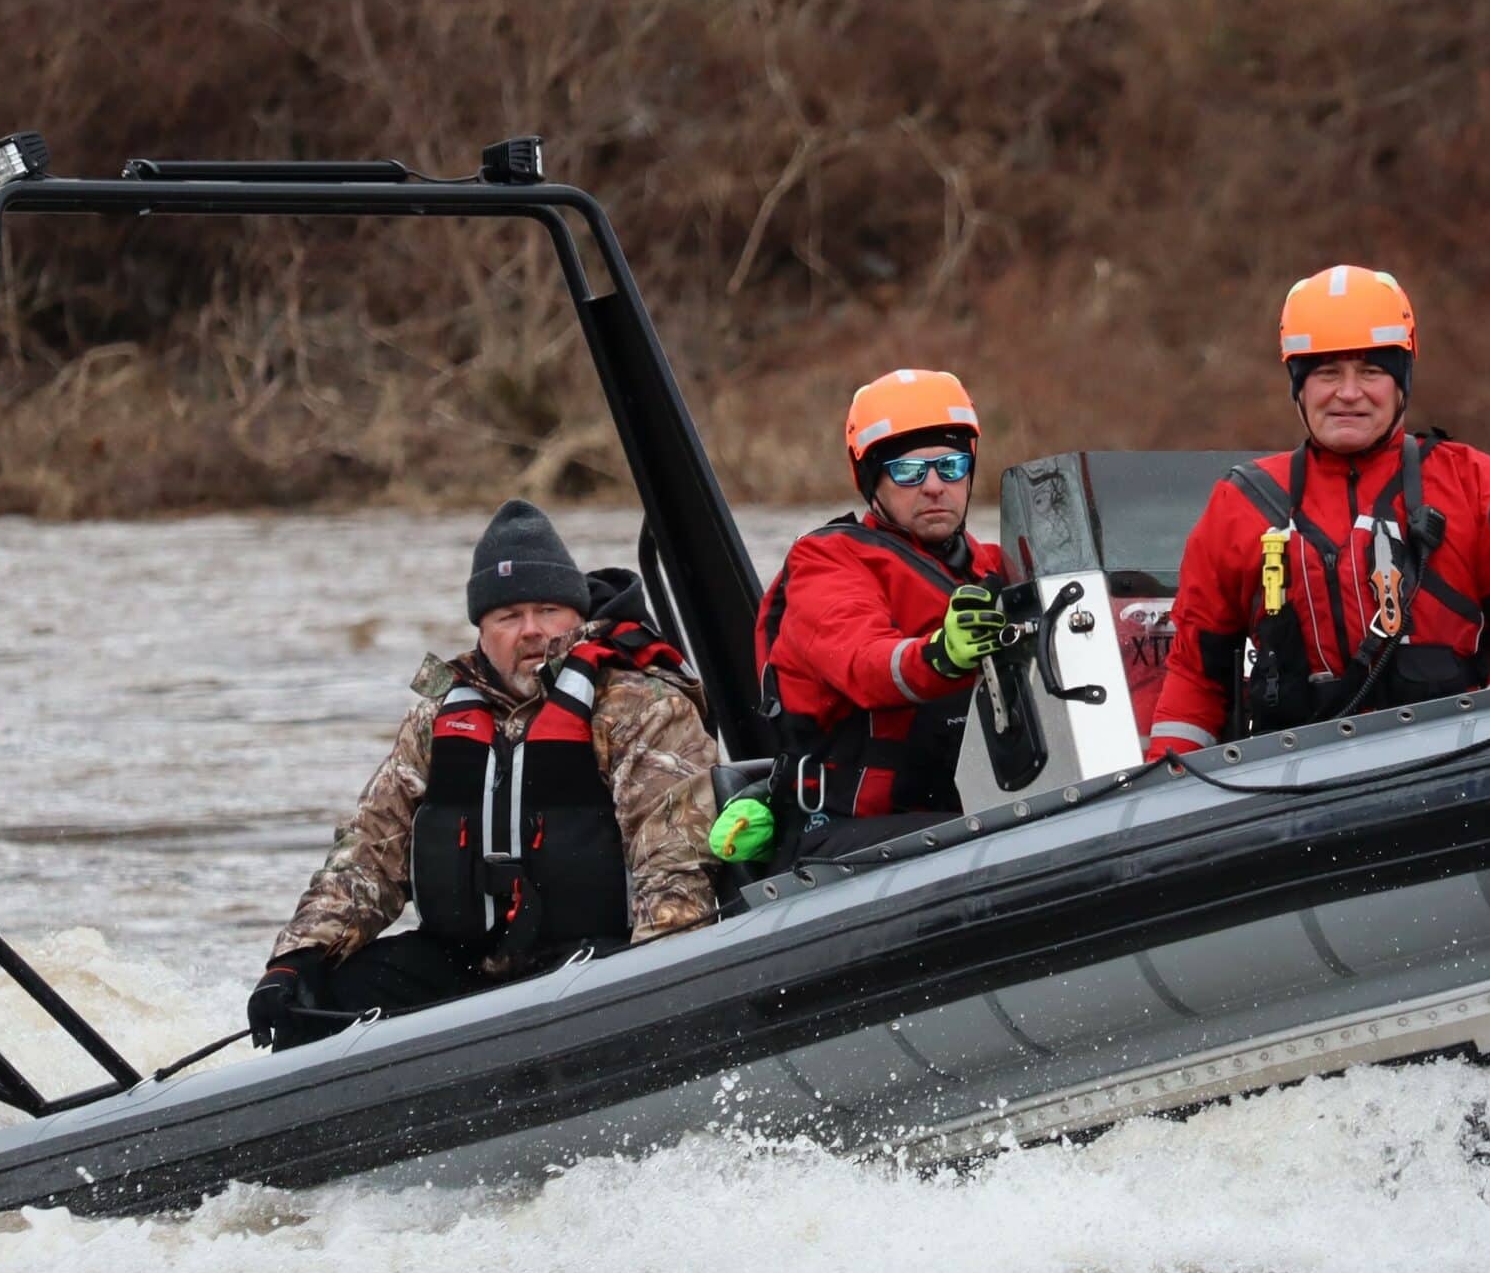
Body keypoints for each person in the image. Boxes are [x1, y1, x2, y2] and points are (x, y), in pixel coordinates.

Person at [249, 500, 721, 1050]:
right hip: (469, 961)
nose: (531, 632)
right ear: (482, 629)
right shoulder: (439, 716)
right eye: (508, 616)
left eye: (548, 610)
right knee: (322, 998)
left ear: (576, 614)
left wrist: (655, 987)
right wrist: (296, 959)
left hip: (595, 960)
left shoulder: (640, 706)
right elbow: (369, 854)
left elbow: (674, 865)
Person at [1145, 267, 1490, 759]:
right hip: (1289, 787)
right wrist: (1168, 785)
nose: (1348, 393)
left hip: (1456, 764)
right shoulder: (1239, 507)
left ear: (1401, 385)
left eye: (1371, 372)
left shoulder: (1479, 488)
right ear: (1299, 388)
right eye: (1327, 373)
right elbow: (1195, 679)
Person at [713, 369, 1010, 865]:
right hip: (841, 833)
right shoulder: (827, 562)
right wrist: (941, 655)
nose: (935, 486)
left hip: (966, 810)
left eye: (952, 467)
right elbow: (864, 662)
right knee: (997, 843)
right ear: (873, 479)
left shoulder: (996, 567)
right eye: (910, 472)